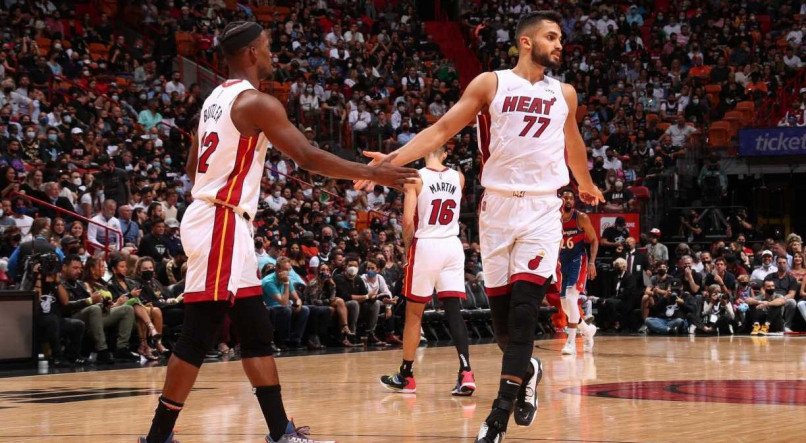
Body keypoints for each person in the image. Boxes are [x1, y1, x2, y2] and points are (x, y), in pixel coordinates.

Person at [141, 21, 416, 443]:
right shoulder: (257, 102)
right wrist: (373, 173)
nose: (272, 55)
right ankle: (158, 437)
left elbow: (194, 160)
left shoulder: (214, 98)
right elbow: (305, 156)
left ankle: (281, 432)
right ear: (251, 52)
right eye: (267, 48)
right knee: (199, 331)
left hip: (218, 217)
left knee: (255, 331)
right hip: (221, 220)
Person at [357, 11, 604, 442]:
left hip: (542, 210)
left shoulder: (565, 93)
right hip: (496, 212)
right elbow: (442, 128)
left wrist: (584, 182)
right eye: (552, 37)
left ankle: (497, 418)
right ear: (526, 43)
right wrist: (391, 163)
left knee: (527, 313)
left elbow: (573, 142)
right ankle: (528, 370)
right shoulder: (491, 83)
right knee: (505, 330)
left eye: (561, 37)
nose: (560, 44)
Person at [379, 146, 475, 396]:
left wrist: (409, 250)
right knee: (454, 312)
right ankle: (466, 372)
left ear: (424, 152)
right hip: (453, 245)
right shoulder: (459, 177)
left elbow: (408, 221)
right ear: (445, 154)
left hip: (427, 244)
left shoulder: (416, 178)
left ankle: (407, 376)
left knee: (414, 315)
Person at [558, 188, 599, 355]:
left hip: (578, 260)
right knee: (565, 305)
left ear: (574, 202)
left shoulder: (581, 218)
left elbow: (594, 240)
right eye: (565, 198)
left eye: (571, 198)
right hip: (563, 262)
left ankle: (571, 342)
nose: (568, 201)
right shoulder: (554, 219)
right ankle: (588, 331)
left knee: (570, 298)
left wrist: (592, 262)